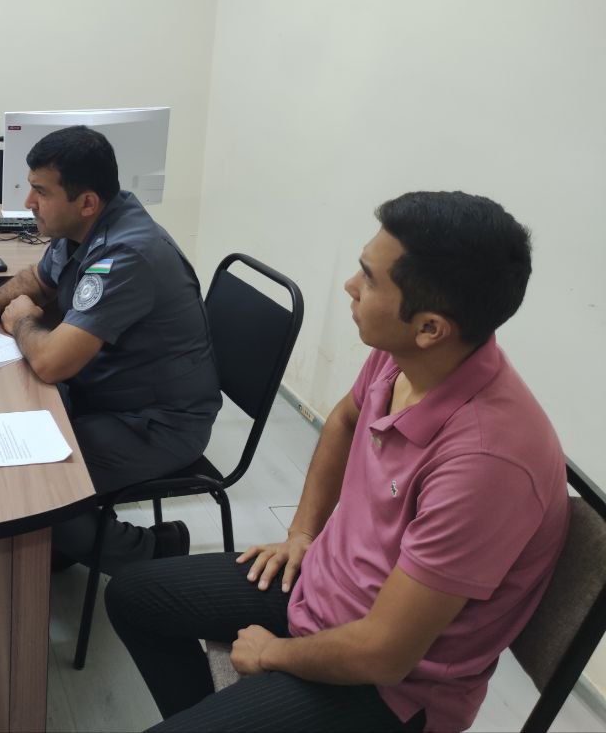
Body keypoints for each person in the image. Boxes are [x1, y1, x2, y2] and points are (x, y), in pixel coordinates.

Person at [105, 191, 569, 733]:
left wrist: (271, 655)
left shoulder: (488, 465)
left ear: (430, 327)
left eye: (369, 279)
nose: (350, 286)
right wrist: (303, 533)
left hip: (389, 687)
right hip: (323, 590)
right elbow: (345, 420)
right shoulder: (405, 356)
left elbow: (383, 655)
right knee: (132, 598)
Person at [0, 125, 220, 571]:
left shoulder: (127, 255)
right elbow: (37, 280)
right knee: (6, 431)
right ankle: (64, 542)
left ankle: (155, 552)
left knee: (30, 478)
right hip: (108, 395)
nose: (28, 203)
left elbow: (52, 363)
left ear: (86, 201)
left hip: (158, 423)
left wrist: (21, 320)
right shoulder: (84, 226)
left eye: (40, 192)